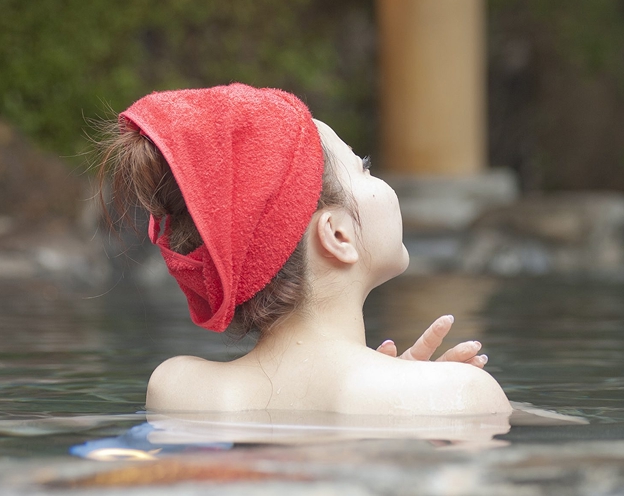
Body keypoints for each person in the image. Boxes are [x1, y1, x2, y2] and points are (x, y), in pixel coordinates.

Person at [98, 82, 511, 416]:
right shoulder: (459, 396)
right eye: (363, 167)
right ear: (337, 236)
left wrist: (404, 383)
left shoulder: (178, 390)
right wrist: (424, 397)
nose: (379, 178)